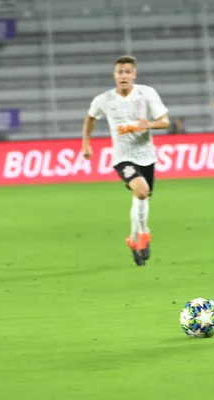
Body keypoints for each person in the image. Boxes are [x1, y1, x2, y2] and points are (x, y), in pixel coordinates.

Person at [82, 55, 170, 266]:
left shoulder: (147, 93)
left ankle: (133, 239)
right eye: (120, 72)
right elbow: (90, 117)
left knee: (141, 199)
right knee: (141, 191)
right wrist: (86, 142)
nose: (124, 76)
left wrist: (147, 124)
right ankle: (144, 234)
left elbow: (164, 121)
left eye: (127, 72)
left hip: (146, 156)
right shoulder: (104, 99)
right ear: (114, 75)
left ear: (134, 74)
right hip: (123, 157)